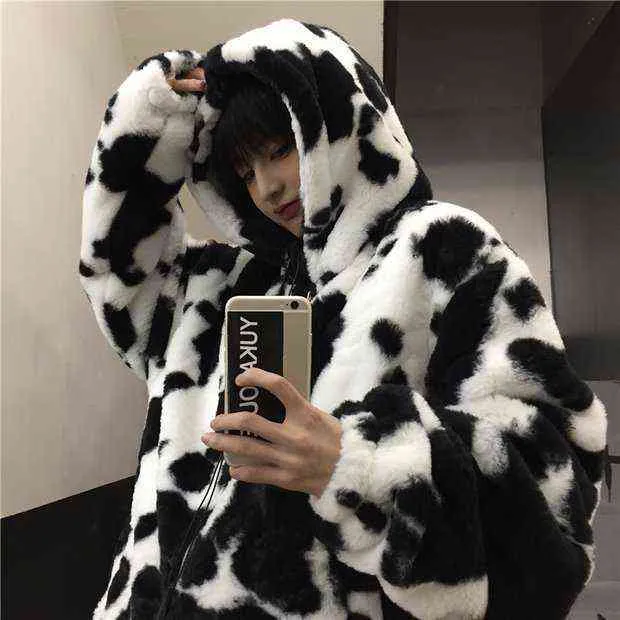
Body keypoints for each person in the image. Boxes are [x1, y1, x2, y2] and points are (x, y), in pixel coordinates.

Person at [79, 19, 607, 620]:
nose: (267, 188)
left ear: (336, 126)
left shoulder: (440, 247)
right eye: (246, 172)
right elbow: (119, 277)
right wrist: (146, 124)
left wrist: (357, 464)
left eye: (280, 150)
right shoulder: (226, 285)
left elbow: (555, 479)